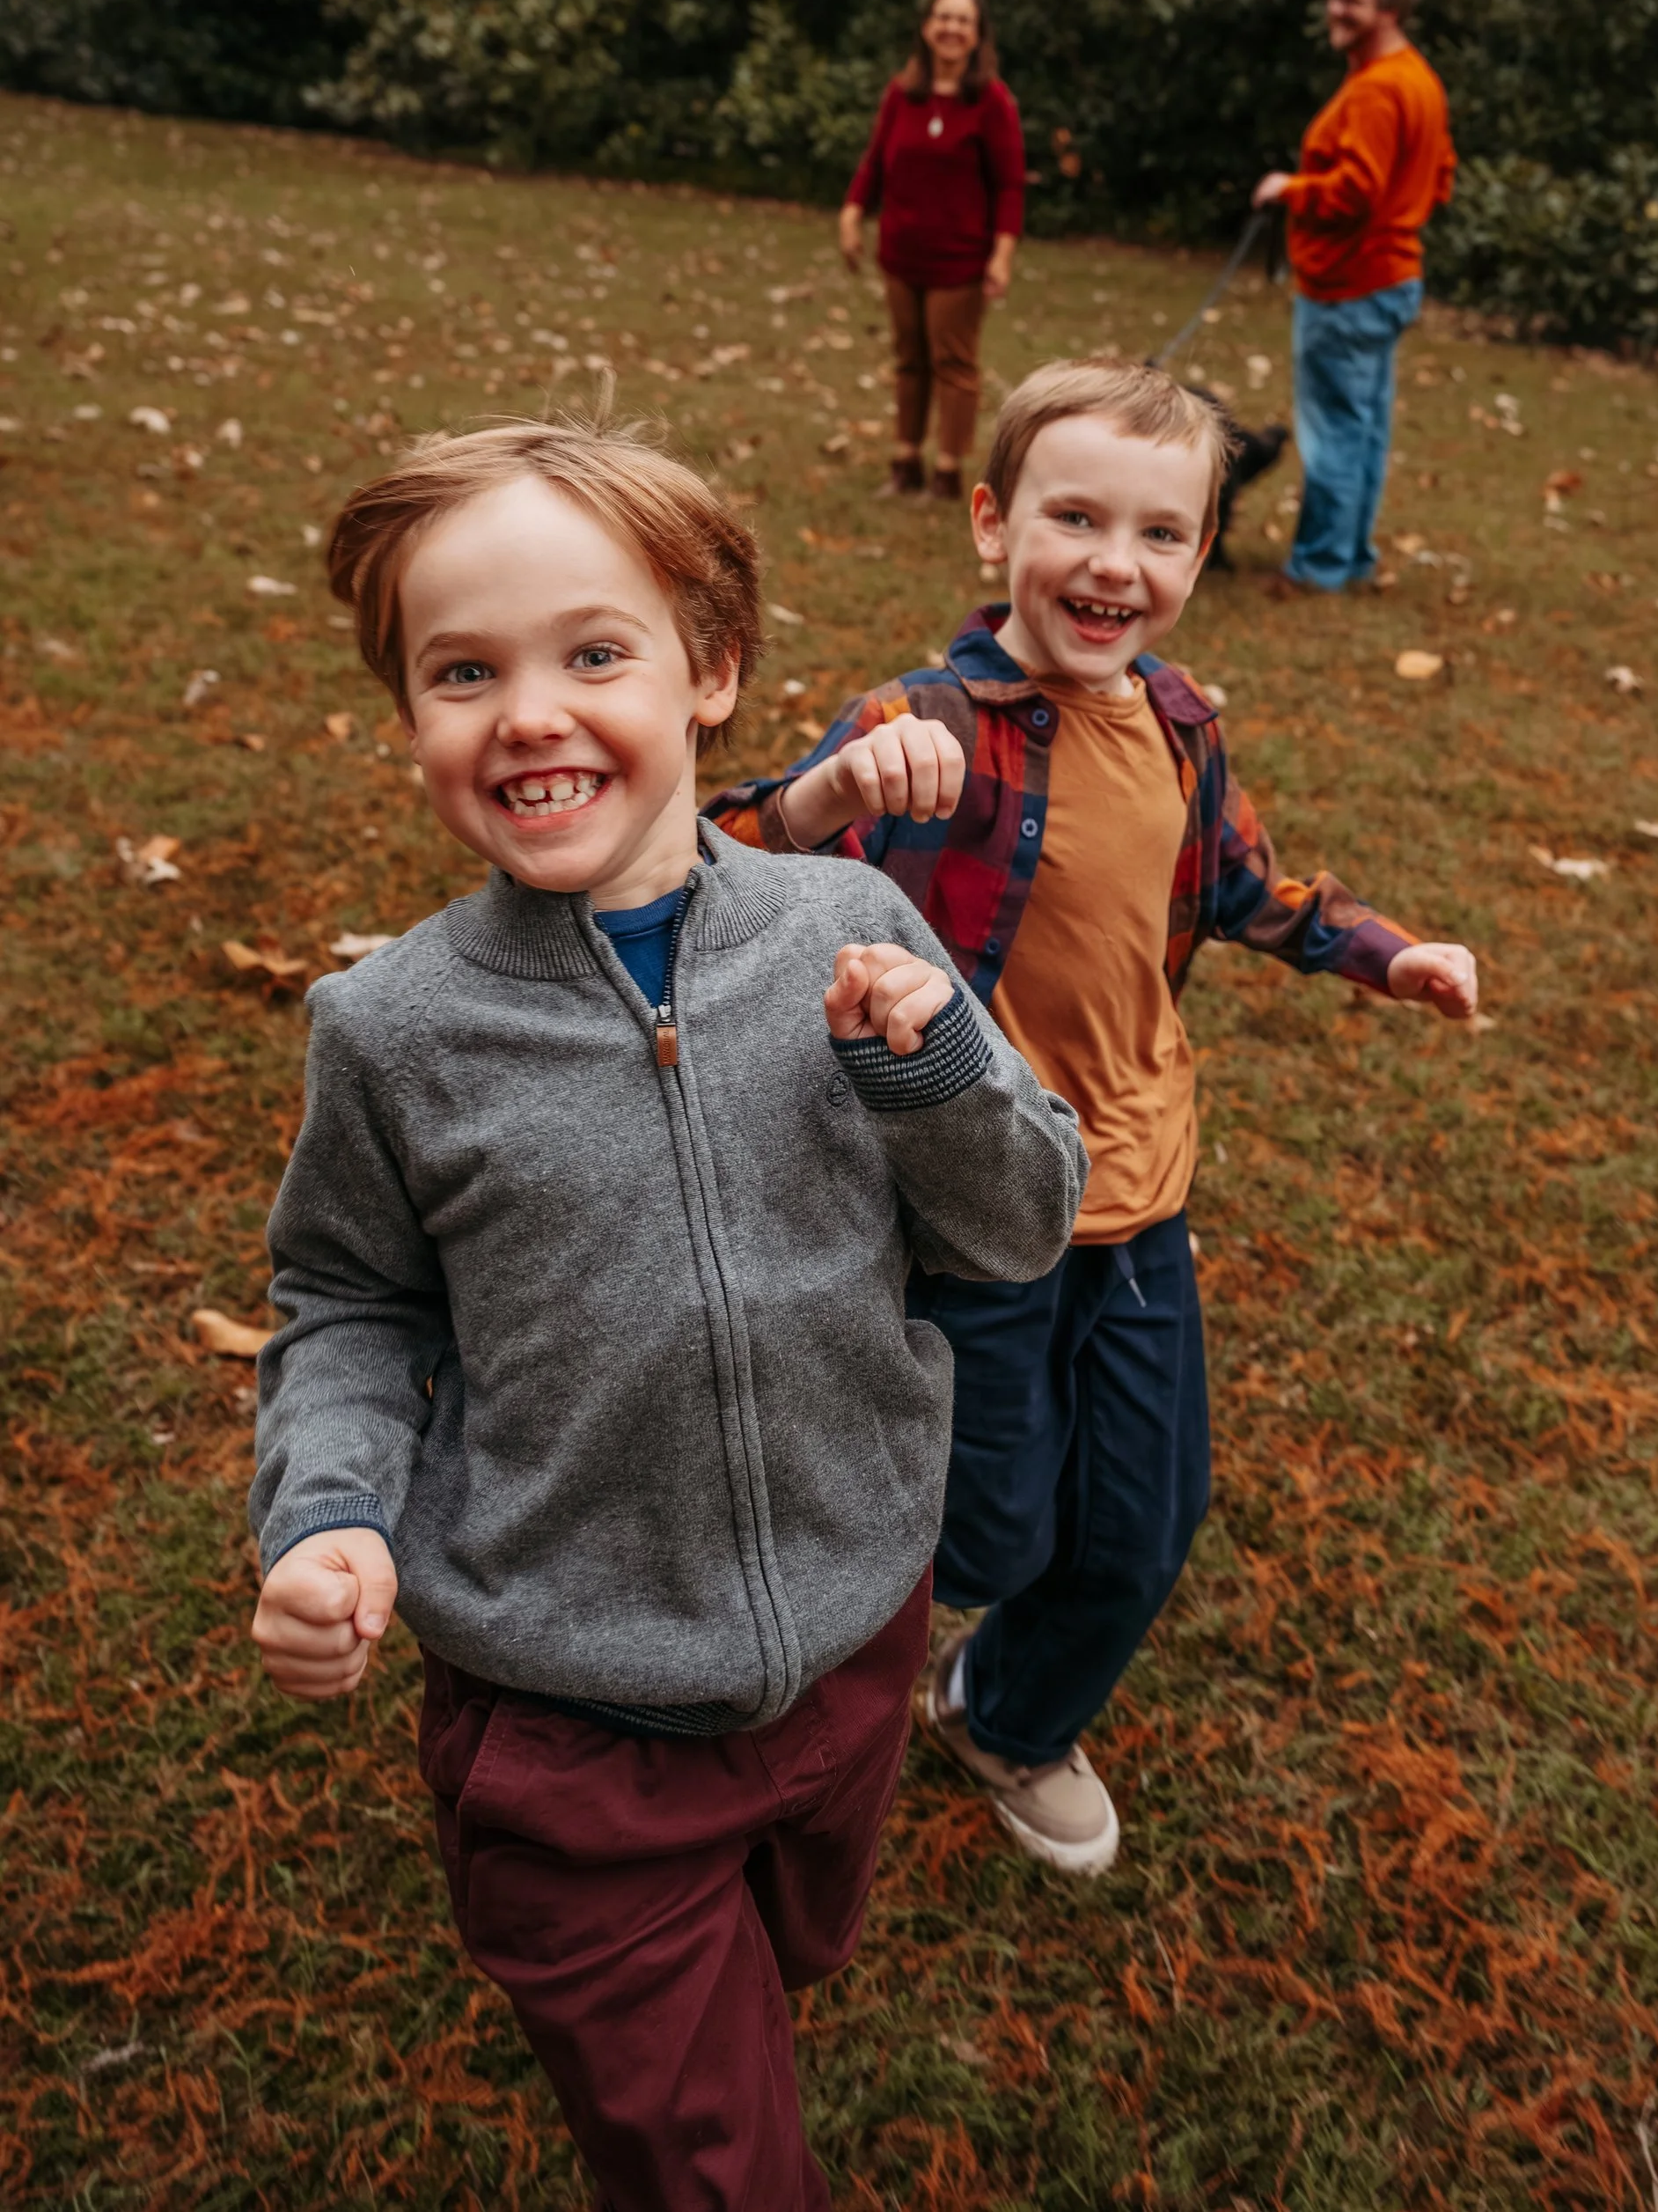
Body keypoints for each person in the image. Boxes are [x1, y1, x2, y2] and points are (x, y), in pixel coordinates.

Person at [246, 415, 1086, 2212]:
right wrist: (326, 1509)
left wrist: (926, 1068)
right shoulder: (392, 1028)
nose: (528, 711)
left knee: (784, 1952)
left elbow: (1019, 1224)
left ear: (711, 673)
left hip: (853, 1629)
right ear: (408, 716)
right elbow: (346, 1296)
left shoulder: (848, 925)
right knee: (710, 2152)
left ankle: (739, 1979)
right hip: (570, 1709)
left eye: (592, 650)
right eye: (461, 669)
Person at [710, 358, 1479, 1878]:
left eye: (1162, 534)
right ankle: (770, 1646)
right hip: (976, 1201)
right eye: (1075, 516)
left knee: (1138, 1527)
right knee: (987, 1537)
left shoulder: (1179, 724)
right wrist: (823, 799)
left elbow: (1251, 892)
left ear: (1199, 558)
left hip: (1139, 1198)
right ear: (994, 526)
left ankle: (1007, 1712)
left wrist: (1393, 954)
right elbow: (707, 870)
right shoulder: (927, 727)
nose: (1114, 564)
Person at [1252, 0, 1456, 593]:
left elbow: (1353, 193)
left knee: (1334, 429)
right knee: (1364, 427)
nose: (1335, 9)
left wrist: (1289, 189)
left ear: (1388, 10)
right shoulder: (1417, 77)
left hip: (1351, 282)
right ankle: (1350, 555)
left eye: (1351, 0)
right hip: (1392, 275)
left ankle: (1320, 565)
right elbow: (1441, 174)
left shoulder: (1378, 89)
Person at [840, 0, 1026, 506]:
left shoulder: (991, 102)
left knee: (953, 363)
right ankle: (905, 463)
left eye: (963, 21)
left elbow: (1009, 185)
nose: (951, 28)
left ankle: (947, 473)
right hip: (901, 253)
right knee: (908, 360)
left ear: (977, 36)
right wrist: (853, 211)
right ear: (926, 28)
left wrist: (1003, 254)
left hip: (960, 260)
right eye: (943, 17)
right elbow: (875, 162)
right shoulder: (903, 93)